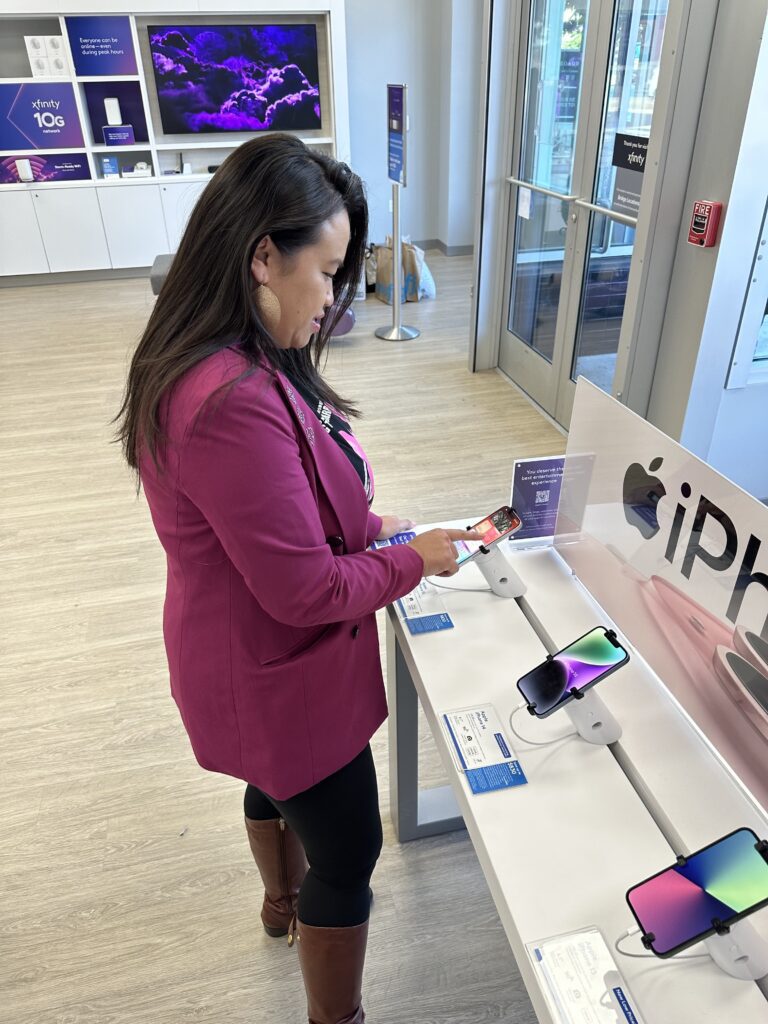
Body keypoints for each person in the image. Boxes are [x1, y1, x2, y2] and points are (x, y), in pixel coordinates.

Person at [116, 133, 478, 1024]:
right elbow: (303, 591)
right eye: (326, 271)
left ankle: (280, 905)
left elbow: (285, 507)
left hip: (235, 655)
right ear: (262, 257)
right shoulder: (231, 396)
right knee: (348, 852)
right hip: (277, 673)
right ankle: (335, 1014)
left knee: (268, 783)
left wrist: (374, 526)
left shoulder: (217, 353)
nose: (333, 298)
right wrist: (413, 559)